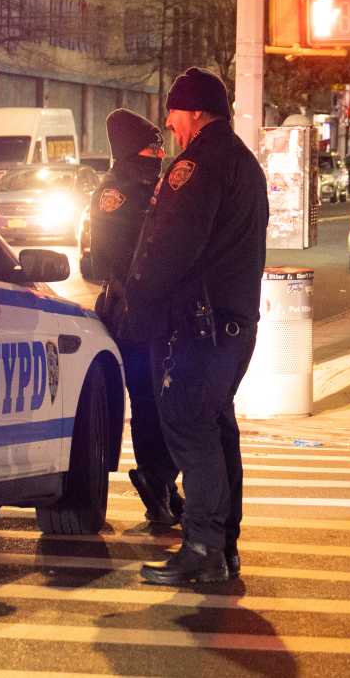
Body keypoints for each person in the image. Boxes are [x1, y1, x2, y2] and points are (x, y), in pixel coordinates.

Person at [121, 67, 268, 585]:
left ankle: (204, 545)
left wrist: (137, 299)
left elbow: (172, 245)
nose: (170, 124)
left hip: (197, 325)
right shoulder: (243, 163)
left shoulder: (199, 163)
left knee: (188, 423)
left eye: (174, 114)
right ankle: (223, 545)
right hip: (230, 321)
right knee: (216, 427)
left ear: (195, 113)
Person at [89, 108, 183, 527]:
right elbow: (111, 257)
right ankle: (156, 479)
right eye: (151, 146)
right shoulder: (119, 192)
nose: (158, 152)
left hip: (154, 309)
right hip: (133, 311)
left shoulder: (148, 185)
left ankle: (163, 482)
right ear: (131, 150)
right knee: (150, 398)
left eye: (160, 145)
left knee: (165, 399)